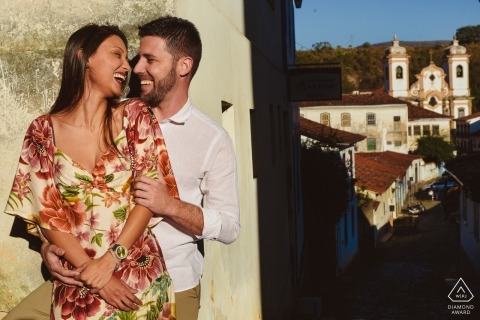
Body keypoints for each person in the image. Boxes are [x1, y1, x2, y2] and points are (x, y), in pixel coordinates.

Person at [4, 15, 240, 320]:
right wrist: (50, 249)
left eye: (148, 60)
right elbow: (48, 209)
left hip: (163, 273)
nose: (134, 68)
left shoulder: (208, 137)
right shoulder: (56, 126)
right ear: (83, 58)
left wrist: (169, 205)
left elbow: (230, 227)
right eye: (130, 57)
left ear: (183, 66)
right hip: (83, 274)